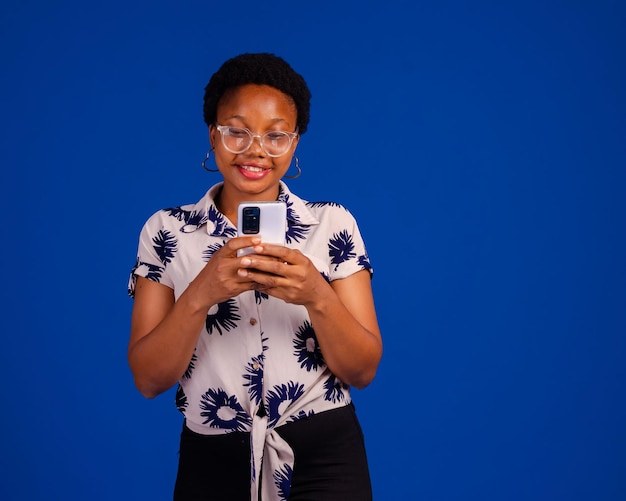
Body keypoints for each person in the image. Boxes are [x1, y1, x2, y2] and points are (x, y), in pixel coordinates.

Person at [127, 53, 382, 501]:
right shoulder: (166, 231)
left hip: (324, 458)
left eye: (276, 135)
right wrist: (201, 293)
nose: (256, 149)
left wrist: (316, 296)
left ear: (295, 141)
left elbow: (362, 370)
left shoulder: (332, 225)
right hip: (212, 458)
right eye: (236, 131)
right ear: (213, 134)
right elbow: (149, 380)